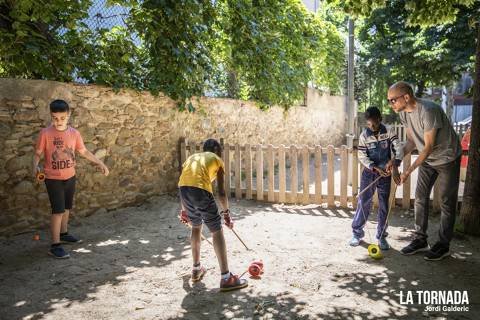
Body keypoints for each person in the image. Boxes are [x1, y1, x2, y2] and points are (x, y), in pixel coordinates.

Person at [387, 81, 461, 261]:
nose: (391, 104)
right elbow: (412, 142)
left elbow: (427, 147)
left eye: (393, 100)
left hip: (447, 158)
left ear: (406, 97)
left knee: (446, 202)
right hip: (428, 159)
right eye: (389, 101)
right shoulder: (404, 114)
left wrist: (408, 171)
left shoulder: (428, 110)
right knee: (420, 197)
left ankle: (443, 245)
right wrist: (396, 160)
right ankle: (420, 239)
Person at [33, 99, 109, 259]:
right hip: (53, 178)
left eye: (62, 118)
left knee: (67, 207)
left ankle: (64, 233)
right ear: (51, 116)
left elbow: (84, 151)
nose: (58, 121)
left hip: (70, 176)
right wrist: (35, 166)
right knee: (58, 210)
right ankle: (55, 245)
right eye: (55, 118)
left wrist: (100, 162)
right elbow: (38, 153)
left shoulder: (74, 133)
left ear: (68, 116)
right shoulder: (45, 133)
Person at [178, 138, 248, 292]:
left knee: (196, 227)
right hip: (200, 191)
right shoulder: (216, 160)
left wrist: (184, 210)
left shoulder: (192, 158)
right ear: (218, 151)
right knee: (217, 231)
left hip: (184, 191)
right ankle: (226, 278)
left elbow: (185, 182)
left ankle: (196, 269)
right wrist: (227, 214)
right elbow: (221, 192)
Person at [350, 107, 403, 250]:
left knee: (384, 205)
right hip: (369, 173)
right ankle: (357, 233)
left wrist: (395, 163)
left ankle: (381, 237)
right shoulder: (364, 136)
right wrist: (374, 167)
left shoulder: (389, 131)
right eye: (368, 124)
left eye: (374, 124)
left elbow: (398, 148)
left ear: (380, 119)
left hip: (385, 174)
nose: (371, 127)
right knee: (363, 202)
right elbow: (362, 155)